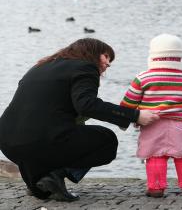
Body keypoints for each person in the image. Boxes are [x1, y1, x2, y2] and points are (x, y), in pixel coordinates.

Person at [0, 38, 159, 202]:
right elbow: (87, 105)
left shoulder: (40, 66)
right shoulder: (85, 67)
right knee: (107, 140)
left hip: (7, 140)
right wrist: (135, 115)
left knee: (43, 191)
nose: (108, 64)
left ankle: (40, 183)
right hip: (42, 139)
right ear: (92, 51)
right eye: (106, 57)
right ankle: (56, 174)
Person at [120, 34, 182, 198]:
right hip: (181, 124)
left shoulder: (143, 78)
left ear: (152, 55)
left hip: (152, 123)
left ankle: (156, 188)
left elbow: (129, 101)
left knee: (154, 155)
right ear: (180, 57)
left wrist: (123, 120)